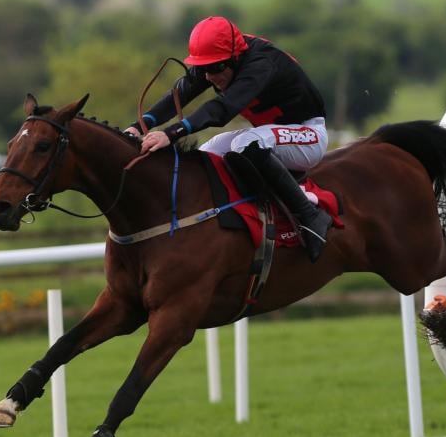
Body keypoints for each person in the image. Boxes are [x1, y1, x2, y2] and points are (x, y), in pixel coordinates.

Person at [125, 16, 333, 262]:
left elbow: (222, 109)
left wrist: (171, 133)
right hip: (271, 135)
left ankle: (310, 215)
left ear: (235, 57)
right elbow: (178, 96)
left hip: (308, 135)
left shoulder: (260, 63)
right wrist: (139, 126)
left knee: (243, 144)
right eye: (203, 69)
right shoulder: (218, 61)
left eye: (215, 68)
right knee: (208, 151)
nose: (210, 76)